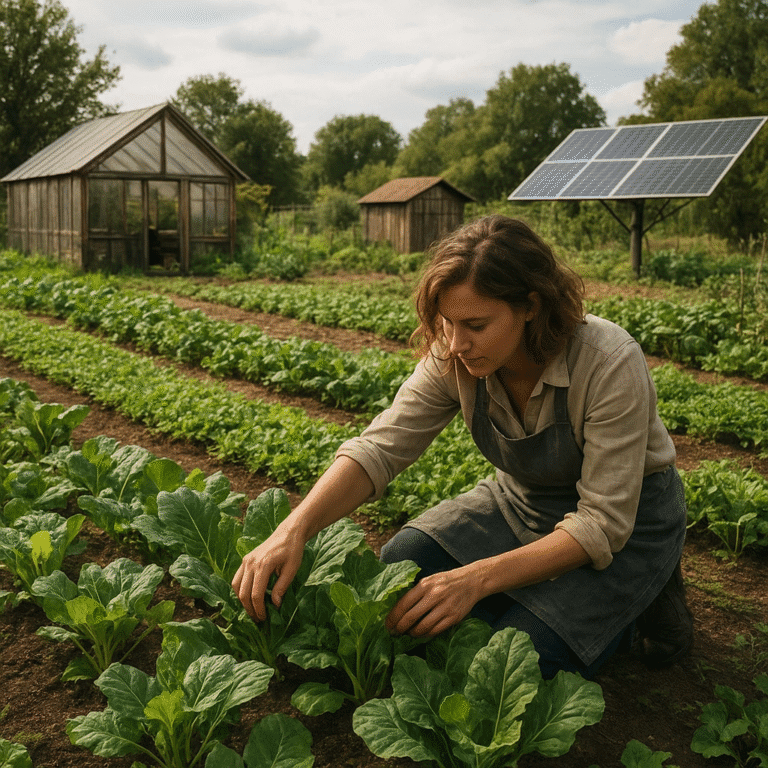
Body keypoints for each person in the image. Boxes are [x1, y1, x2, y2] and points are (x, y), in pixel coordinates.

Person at [232, 214, 693, 679]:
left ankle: (643, 601)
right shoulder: (452, 354)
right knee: (400, 564)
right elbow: (380, 447)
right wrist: (294, 529)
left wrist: (474, 580)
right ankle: (534, 597)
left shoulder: (608, 361)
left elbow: (600, 523)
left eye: (475, 324)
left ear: (530, 305)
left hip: (627, 524)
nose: (455, 343)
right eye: (446, 323)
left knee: (517, 655)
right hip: (524, 501)